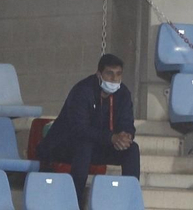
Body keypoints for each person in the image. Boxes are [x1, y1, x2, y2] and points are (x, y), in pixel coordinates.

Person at [33, 53, 138, 209]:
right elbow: (79, 129)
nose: (114, 79)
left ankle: (130, 201)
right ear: (99, 74)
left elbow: (127, 122)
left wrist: (126, 136)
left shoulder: (123, 93)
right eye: (109, 73)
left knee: (132, 149)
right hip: (66, 146)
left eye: (118, 74)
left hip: (100, 145)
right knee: (84, 144)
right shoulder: (82, 91)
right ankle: (74, 201)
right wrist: (111, 138)